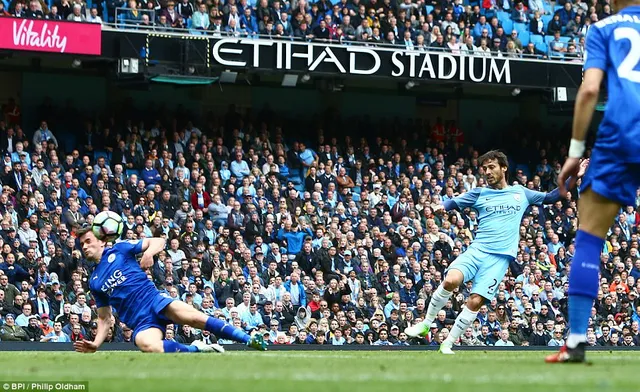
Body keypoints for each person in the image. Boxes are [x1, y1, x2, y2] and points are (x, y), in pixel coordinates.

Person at [405, 150, 587, 354]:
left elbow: (553, 196)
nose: (487, 172)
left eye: (491, 167)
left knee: (474, 300)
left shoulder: (521, 193)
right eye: (484, 169)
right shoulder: (480, 193)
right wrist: (441, 206)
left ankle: (447, 343)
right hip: (477, 250)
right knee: (450, 281)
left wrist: (575, 176)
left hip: (499, 259)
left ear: (504, 168)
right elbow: (454, 202)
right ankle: (426, 324)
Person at [546, 0, 640, 364]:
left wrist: (575, 151)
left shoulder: (604, 28)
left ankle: (576, 341)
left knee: (589, 237)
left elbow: (588, 91)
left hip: (620, 137)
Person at [72, 226, 267, 354]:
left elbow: (158, 240)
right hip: (140, 321)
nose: (85, 246)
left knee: (197, 319)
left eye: (88, 241)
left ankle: (250, 340)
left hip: (155, 301)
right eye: (82, 244)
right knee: (147, 345)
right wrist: (96, 344)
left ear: (101, 241)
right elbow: (105, 318)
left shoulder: (120, 249)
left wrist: (148, 253)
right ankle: (197, 349)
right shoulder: (95, 281)